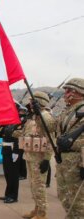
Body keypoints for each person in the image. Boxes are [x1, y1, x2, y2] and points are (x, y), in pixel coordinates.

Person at [15, 91, 55, 219]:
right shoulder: (35, 116)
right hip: (31, 156)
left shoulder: (46, 116)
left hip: (40, 158)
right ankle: (37, 210)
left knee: (39, 187)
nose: (30, 104)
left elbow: (50, 138)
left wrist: (47, 159)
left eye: (32, 101)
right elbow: (28, 134)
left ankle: (42, 214)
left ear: (39, 102)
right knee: (34, 185)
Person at [55, 78, 84, 218]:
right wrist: (38, 113)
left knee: (78, 202)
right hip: (64, 161)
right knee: (64, 196)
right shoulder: (67, 111)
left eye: (68, 90)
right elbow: (54, 129)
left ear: (79, 92)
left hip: (77, 162)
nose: (65, 93)